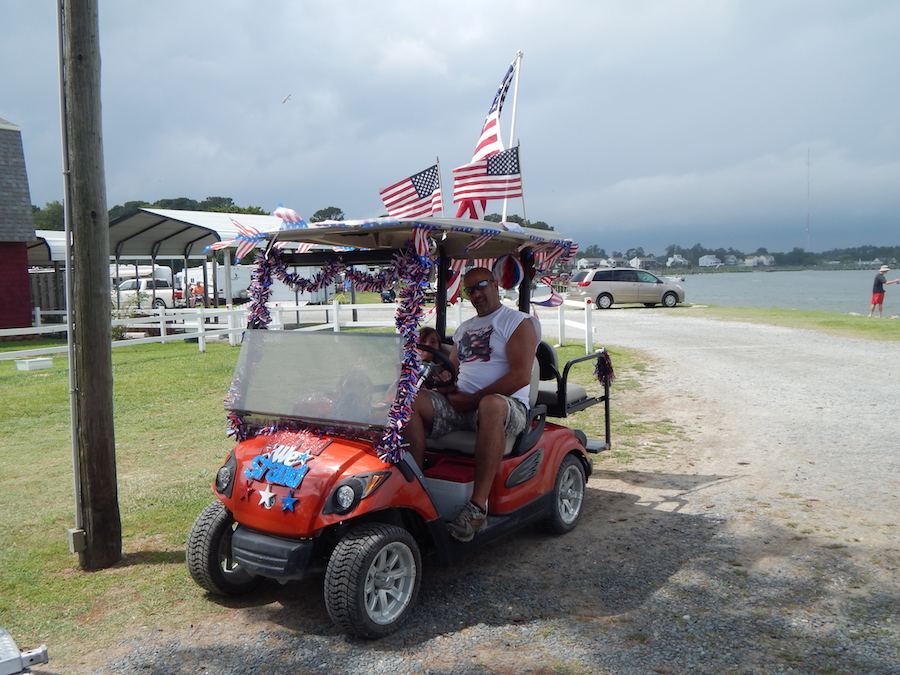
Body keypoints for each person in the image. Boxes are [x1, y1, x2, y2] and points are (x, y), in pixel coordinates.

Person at [404, 268, 540, 542]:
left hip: (507, 407)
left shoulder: (517, 322)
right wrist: (445, 382)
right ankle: (414, 492)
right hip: (464, 405)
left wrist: (470, 400)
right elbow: (453, 372)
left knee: (490, 405)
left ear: (495, 285)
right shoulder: (464, 329)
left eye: (481, 286)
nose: (476, 294)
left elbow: (520, 376)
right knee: (410, 399)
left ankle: (478, 507)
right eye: (470, 290)